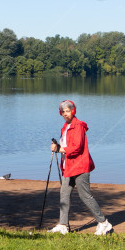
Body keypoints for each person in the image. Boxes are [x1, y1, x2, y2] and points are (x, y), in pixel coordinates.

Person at [49, 99, 113, 235]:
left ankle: (104, 223)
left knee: (85, 196)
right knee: (64, 194)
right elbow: (66, 146)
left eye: (68, 111)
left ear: (73, 111)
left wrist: (59, 149)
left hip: (80, 166)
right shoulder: (66, 126)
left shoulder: (78, 126)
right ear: (60, 113)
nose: (66, 114)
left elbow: (76, 147)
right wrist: (58, 147)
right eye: (63, 112)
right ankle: (63, 225)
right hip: (69, 167)